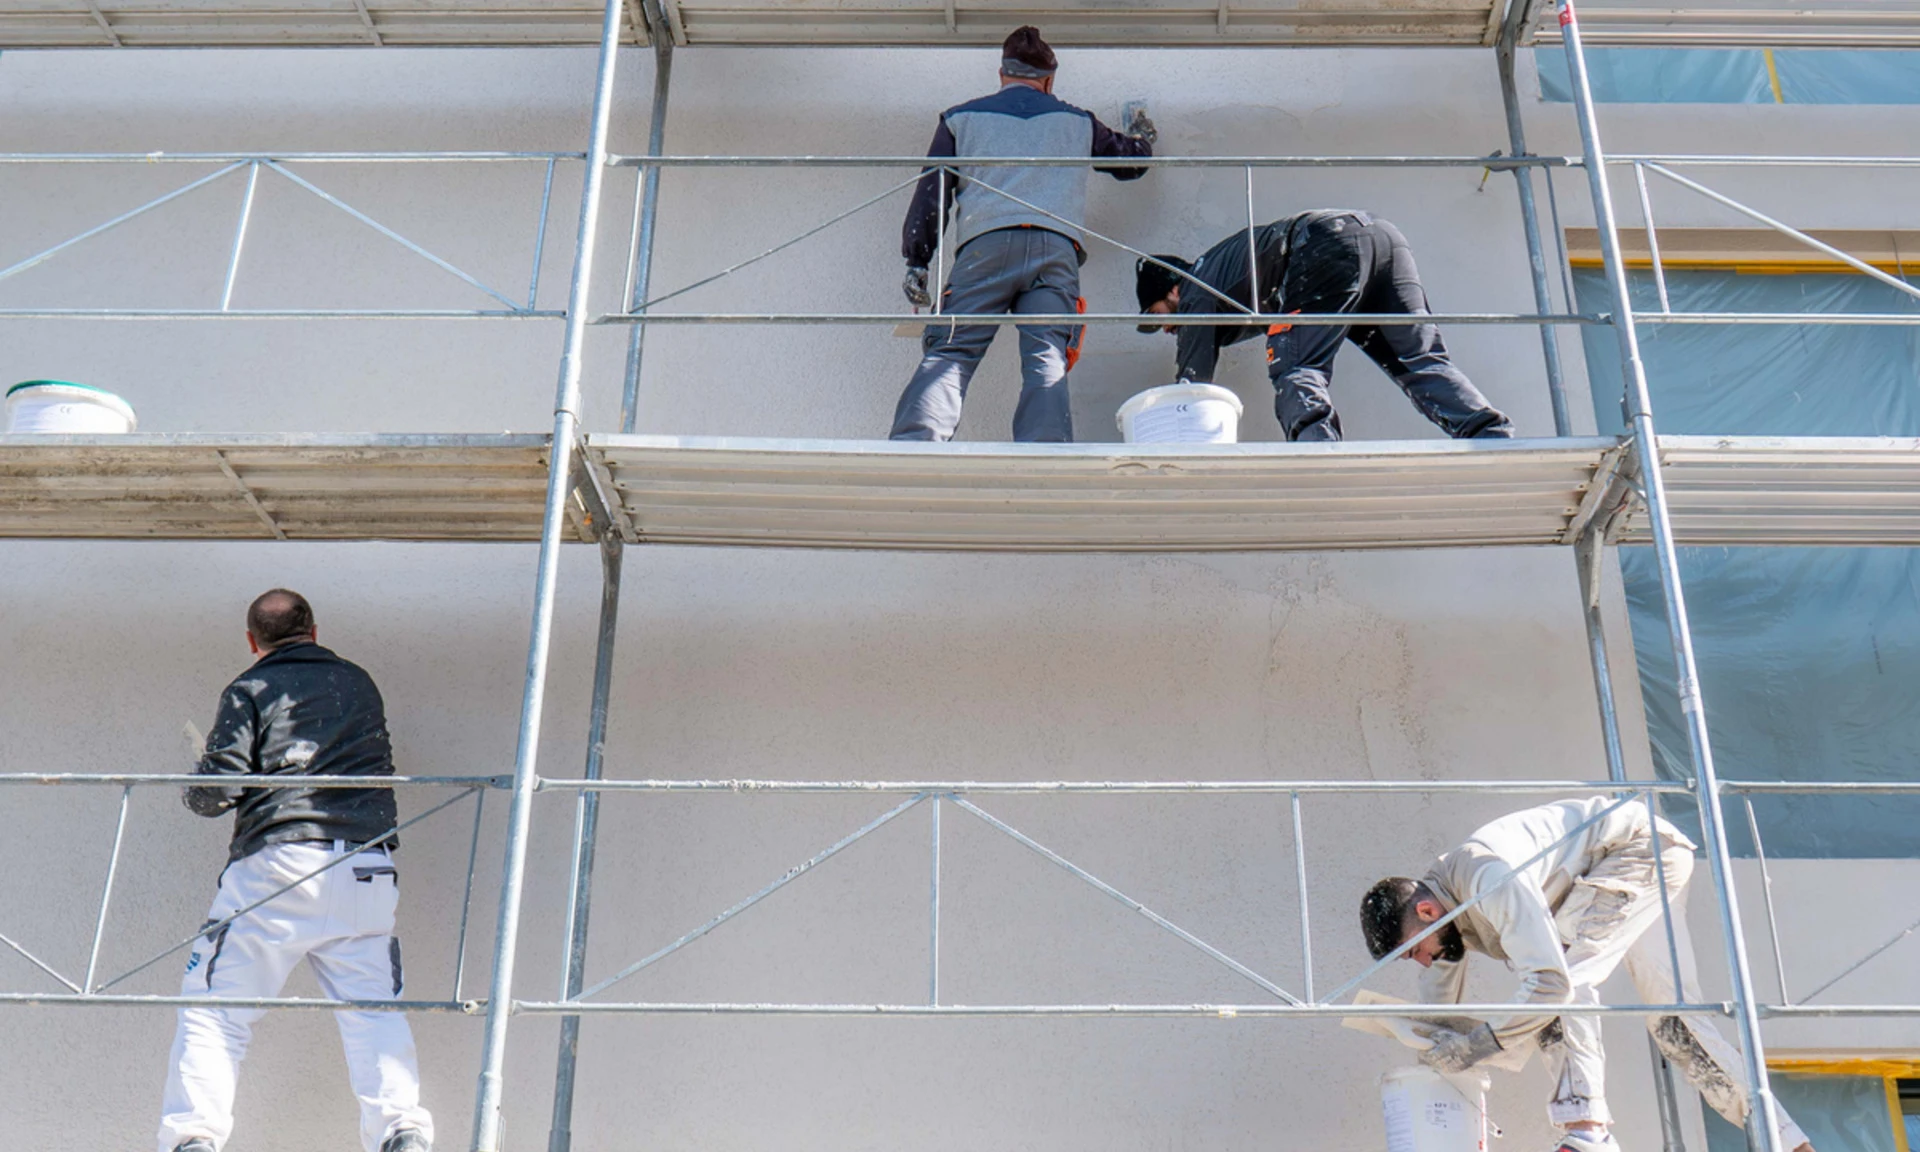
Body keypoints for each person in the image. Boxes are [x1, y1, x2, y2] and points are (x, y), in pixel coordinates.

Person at [1358, 798, 1813, 1152]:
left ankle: (1587, 1131)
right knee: (1676, 1023)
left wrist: (1478, 1046)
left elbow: (1551, 985)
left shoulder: (1485, 877)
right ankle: (1787, 1141)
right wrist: (1436, 1054)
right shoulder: (1443, 922)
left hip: (1635, 852)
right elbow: (1438, 1015)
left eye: (1415, 951)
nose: (1422, 961)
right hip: (1633, 860)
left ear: (1426, 910)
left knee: (1559, 981)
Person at [158, 589, 433, 1152]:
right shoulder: (358, 682)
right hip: (366, 867)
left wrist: (197, 784)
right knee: (371, 1010)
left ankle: (193, 1139)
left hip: (279, 866)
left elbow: (219, 791)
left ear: (253, 641)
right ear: (314, 630)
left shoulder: (251, 687)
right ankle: (402, 1130)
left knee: (216, 1012)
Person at [890, 25, 1155, 443]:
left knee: (952, 350)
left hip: (985, 248)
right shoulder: (1076, 121)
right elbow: (1131, 162)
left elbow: (932, 194)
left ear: (1001, 75)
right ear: (1049, 80)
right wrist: (1144, 137)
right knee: (1047, 353)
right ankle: (1044, 452)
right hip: (1054, 251)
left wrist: (917, 261)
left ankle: (915, 444)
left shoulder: (961, 119)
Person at [1135, 210, 1514, 441]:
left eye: (1157, 316)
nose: (1167, 329)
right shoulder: (1220, 270)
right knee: (1417, 361)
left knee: (1296, 367)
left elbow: (1191, 388)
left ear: (1172, 289)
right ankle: (1491, 435)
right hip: (1383, 240)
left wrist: (1181, 444)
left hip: (1324, 244)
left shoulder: (1195, 289)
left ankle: (1318, 448)